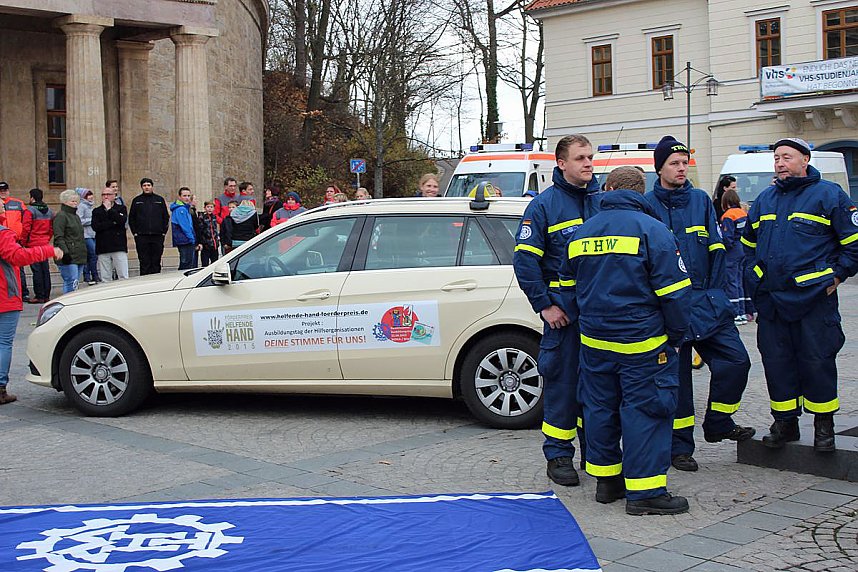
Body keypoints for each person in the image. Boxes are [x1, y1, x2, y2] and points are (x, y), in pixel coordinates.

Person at [567, 165, 691, 515]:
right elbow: (675, 293)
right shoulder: (653, 230)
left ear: (607, 189)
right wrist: (676, 336)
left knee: (600, 410)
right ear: (641, 192)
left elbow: (568, 285)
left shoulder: (582, 233)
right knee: (646, 411)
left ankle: (607, 482)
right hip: (642, 343)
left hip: (595, 342)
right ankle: (645, 492)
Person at [643, 136, 755, 473]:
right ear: (659, 168)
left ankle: (719, 421)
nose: (681, 168)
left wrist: (719, 297)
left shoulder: (701, 200)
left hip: (707, 303)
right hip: (669, 310)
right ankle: (679, 449)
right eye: (674, 163)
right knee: (677, 383)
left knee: (737, 361)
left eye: (684, 163)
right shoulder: (647, 205)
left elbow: (716, 250)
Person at [742, 137, 858, 452]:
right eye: (777, 158)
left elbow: (853, 244)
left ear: (805, 160)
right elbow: (748, 246)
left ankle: (824, 427)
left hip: (814, 300)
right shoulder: (765, 199)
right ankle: (785, 423)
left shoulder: (829, 195)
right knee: (777, 363)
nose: (780, 163)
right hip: (773, 301)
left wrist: (837, 276)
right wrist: (756, 280)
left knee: (817, 361)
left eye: (787, 157)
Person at [513, 134, 601, 487]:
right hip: (564, 316)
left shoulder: (602, 201)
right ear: (561, 163)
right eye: (580, 158)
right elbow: (525, 262)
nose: (588, 163)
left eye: (590, 157)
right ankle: (559, 455)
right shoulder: (544, 206)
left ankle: (598, 454)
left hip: (600, 315)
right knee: (563, 386)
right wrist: (545, 305)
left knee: (598, 388)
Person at [0, 220, 62, 405]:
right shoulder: (2, 233)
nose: (4, 207)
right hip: (4, 296)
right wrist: (48, 250)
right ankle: (0, 389)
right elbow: (18, 256)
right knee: (3, 343)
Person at [128, 177, 169, 275]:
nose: (146, 187)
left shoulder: (159, 200)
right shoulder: (137, 201)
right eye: (144, 185)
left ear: (152, 186)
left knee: (156, 261)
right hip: (142, 236)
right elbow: (132, 218)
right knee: (144, 262)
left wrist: (163, 232)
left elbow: (165, 217)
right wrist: (135, 233)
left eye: (148, 185)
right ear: (141, 187)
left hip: (157, 235)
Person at [0, 181, 33, 301]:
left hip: (16, 240)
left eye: (5, 190)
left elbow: (27, 220)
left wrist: (23, 237)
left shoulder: (18, 203)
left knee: (19, 268)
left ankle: (23, 292)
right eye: (0, 191)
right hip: (2, 240)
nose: (3, 192)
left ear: (8, 191)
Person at [720, 188, 748, 325]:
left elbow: (727, 237)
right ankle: (742, 312)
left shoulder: (728, 215)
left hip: (733, 250)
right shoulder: (743, 213)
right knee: (739, 280)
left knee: (731, 281)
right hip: (742, 248)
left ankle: (735, 313)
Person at [91, 185, 129, 281]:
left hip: (118, 245)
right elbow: (96, 227)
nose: (106, 196)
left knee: (123, 275)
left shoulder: (121, 208)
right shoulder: (96, 211)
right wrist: (112, 223)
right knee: (105, 277)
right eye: (103, 194)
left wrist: (110, 210)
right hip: (103, 246)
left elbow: (121, 221)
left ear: (114, 196)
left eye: (108, 194)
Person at [53, 189, 87, 293]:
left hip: (79, 254)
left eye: (76, 201)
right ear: (65, 202)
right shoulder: (61, 216)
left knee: (75, 282)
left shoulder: (76, 216)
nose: (75, 203)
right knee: (70, 281)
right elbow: (59, 236)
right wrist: (65, 253)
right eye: (72, 201)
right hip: (68, 255)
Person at [24, 188, 54, 302]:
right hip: (44, 243)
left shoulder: (30, 211)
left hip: (33, 244)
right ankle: (46, 295)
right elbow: (51, 229)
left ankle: (39, 295)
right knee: (45, 269)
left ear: (32, 198)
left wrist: (23, 242)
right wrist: (47, 238)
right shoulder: (49, 211)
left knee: (36, 271)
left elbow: (26, 228)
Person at [76, 188, 101, 285]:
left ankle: (92, 275)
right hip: (86, 235)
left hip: (93, 234)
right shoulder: (81, 206)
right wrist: (92, 220)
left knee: (92, 255)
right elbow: (80, 220)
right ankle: (91, 275)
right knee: (93, 254)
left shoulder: (91, 206)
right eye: (88, 195)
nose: (90, 197)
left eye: (91, 195)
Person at [170, 187, 198, 270]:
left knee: (188, 263)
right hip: (184, 240)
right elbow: (185, 226)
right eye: (184, 196)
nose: (187, 198)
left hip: (185, 239)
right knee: (186, 264)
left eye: (188, 196)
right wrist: (192, 238)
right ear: (179, 197)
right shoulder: (180, 209)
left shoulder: (185, 208)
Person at [198, 200, 221, 266]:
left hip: (214, 244)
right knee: (205, 263)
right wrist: (201, 241)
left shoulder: (214, 217)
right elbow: (200, 230)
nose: (209, 209)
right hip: (206, 244)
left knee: (215, 262)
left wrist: (217, 237)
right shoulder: (202, 217)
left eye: (211, 207)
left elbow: (215, 228)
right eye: (208, 207)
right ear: (205, 208)